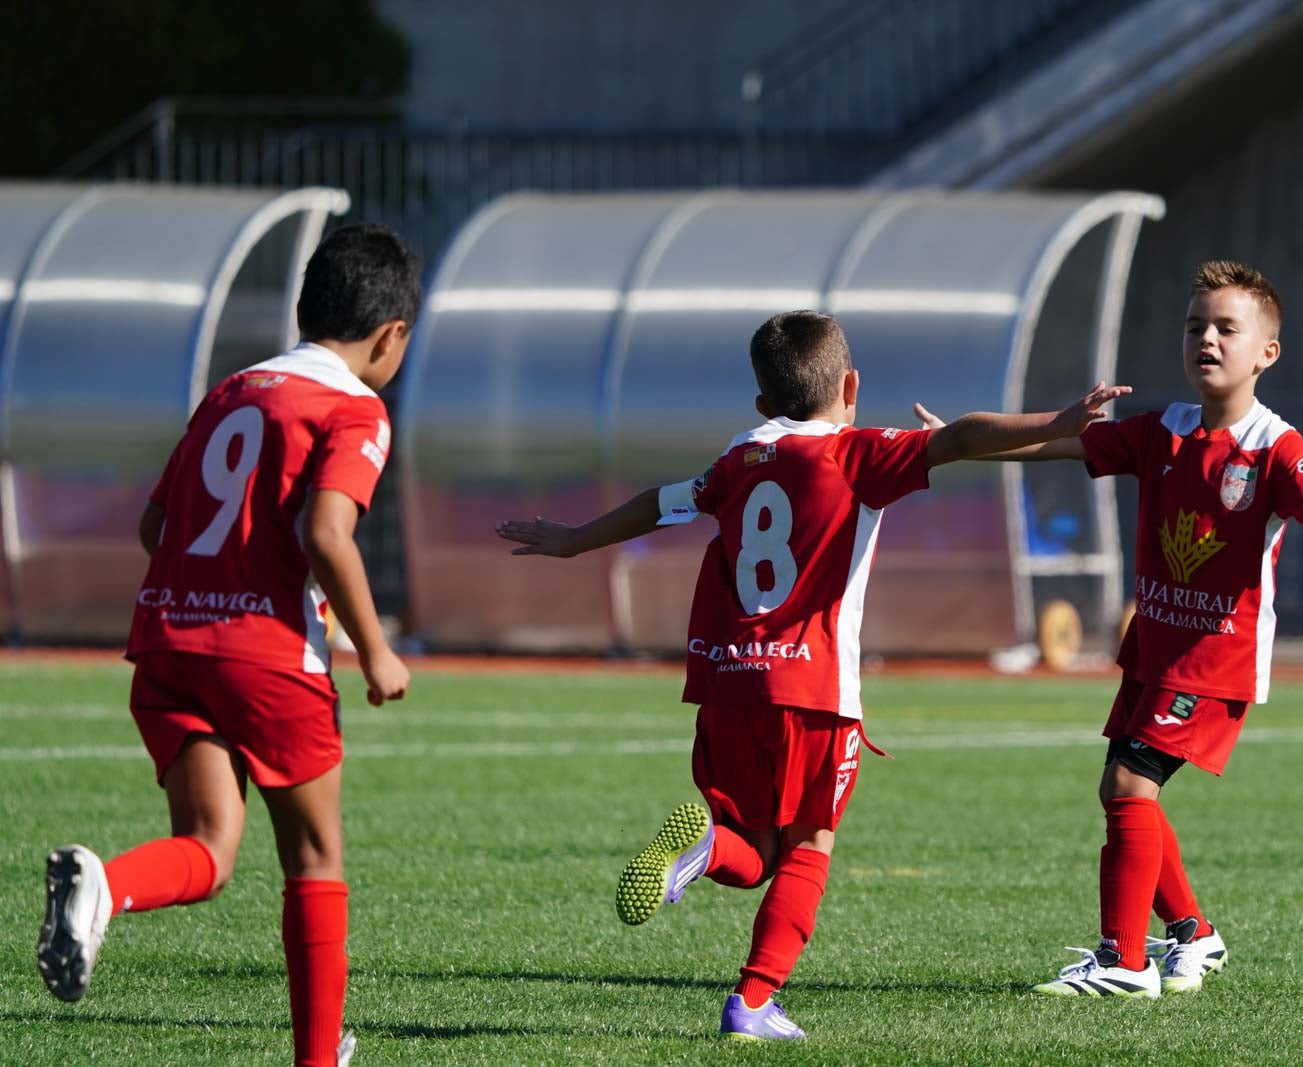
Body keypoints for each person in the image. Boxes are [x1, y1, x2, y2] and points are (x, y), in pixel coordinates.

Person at [497, 310, 1129, 1039]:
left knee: (755, 848)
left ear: (764, 404)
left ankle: (704, 846)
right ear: (851, 385)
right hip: (814, 693)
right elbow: (958, 438)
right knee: (808, 845)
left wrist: (576, 539)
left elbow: (661, 504)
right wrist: (1061, 416)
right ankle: (754, 1000)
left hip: (730, 683)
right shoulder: (854, 453)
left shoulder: (738, 459)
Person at [917, 260, 1303, 998]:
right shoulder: (1163, 430)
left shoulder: (1275, 445)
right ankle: (1194, 935)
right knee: (1124, 792)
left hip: (1212, 659)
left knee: (1129, 782)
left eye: (1226, 328)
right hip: (1155, 649)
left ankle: (1123, 960)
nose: (1206, 338)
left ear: (1267, 351)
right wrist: (962, 441)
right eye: (1195, 325)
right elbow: (1059, 442)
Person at [36, 224, 420, 1066]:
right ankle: (317, 1060)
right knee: (314, 855)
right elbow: (327, 531)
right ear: (391, 336)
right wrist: (376, 648)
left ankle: (108, 886)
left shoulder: (232, 391)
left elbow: (155, 524)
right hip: (266, 654)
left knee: (209, 848)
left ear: (302, 307)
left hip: (168, 639)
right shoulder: (356, 407)